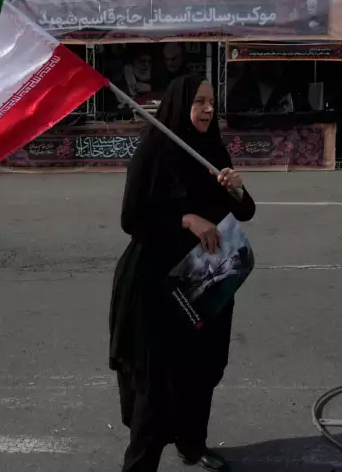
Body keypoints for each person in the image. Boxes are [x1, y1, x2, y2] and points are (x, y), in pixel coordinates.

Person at [110, 75, 257, 472]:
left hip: (207, 277)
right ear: (178, 105)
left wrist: (237, 190)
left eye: (211, 102)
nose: (209, 109)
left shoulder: (213, 147)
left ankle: (192, 445)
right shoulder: (154, 151)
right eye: (199, 102)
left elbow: (245, 212)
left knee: (202, 370)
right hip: (157, 283)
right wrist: (185, 219)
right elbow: (132, 220)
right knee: (156, 388)